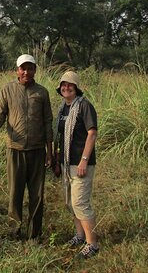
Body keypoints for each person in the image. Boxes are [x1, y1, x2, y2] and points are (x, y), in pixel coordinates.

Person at [0, 54, 54, 240]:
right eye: (23, 68)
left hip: (37, 150)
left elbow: (48, 123)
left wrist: (50, 152)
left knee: (37, 196)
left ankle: (34, 234)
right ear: (17, 70)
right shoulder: (7, 90)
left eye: (30, 68)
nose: (26, 72)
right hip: (15, 149)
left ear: (35, 70)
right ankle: (14, 231)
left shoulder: (42, 92)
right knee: (15, 194)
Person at [52, 71, 99, 259]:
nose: (66, 87)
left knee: (80, 202)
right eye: (63, 85)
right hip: (66, 163)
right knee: (70, 203)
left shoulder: (85, 106)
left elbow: (92, 133)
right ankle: (80, 236)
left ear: (76, 87)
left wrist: (84, 161)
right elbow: (60, 136)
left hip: (80, 164)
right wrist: (56, 159)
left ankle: (92, 243)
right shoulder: (64, 108)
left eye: (70, 85)